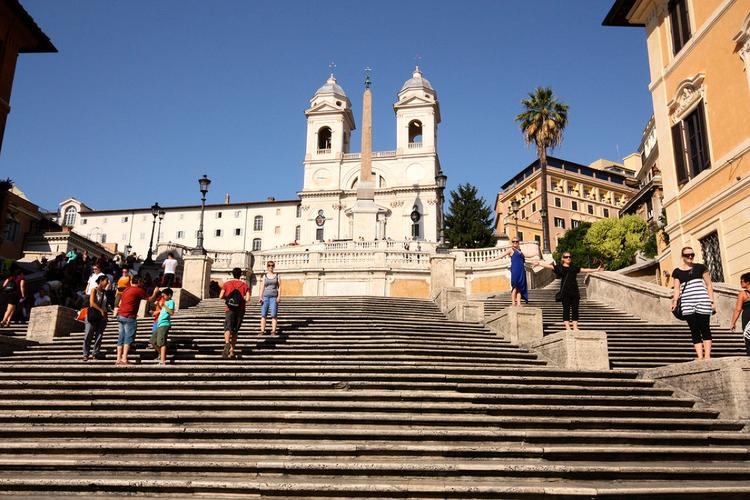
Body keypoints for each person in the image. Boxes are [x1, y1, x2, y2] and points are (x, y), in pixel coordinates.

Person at [536, 254, 604, 331]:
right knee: (566, 309)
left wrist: (596, 269)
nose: (568, 258)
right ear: (562, 258)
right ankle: (567, 327)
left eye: (569, 257)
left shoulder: (573, 268)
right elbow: (549, 266)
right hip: (565, 292)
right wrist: (539, 263)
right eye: (566, 257)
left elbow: (584, 270)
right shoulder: (560, 267)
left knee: (575, 309)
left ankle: (575, 327)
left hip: (575, 291)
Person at [671, 246, 716, 360]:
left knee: (705, 327)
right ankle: (700, 356)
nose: (690, 256)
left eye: (692, 254)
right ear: (683, 257)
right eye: (687, 255)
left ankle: (707, 356)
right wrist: (675, 301)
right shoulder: (677, 272)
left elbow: (709, 285)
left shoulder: (701, 267)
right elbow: (676, 289)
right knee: (694, 329)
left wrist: (712, 301)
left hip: (702, 301)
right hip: (687, 304)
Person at [113, 275, 159, 365]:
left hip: (121, 315)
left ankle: (118, 359)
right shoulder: (138, 290)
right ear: (138, 282)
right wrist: (155, 292)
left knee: (121, 338)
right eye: (141, 282)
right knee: (128, 338)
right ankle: (124, 359)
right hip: (129, 316)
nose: (142, 284)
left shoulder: (126, 289)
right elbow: (151, 300)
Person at [218, 267, 250, 359]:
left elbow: (220, 296)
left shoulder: (227, 284)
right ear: (240, 275)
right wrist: (240, 299)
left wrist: (228, 299)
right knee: (235, 330)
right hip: (240, 310)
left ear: (232, 274)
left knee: (227, 328)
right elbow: (247, 299)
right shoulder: (244, 285)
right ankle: (232, 350)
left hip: (229, 309)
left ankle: (227, 343)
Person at [82, 275, 109, 361]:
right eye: (106, 281)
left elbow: (106, 305)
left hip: (102, 316)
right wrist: (100, 310)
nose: (107, 283)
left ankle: (95, 353)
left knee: (99, 335)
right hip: (92, 315)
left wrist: (105, 315)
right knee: (88, 334)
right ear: (101, 281)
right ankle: (85, 354)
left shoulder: (105, 292)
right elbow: (92, 303)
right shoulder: (94, 290)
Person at [150, 287, 174, 366]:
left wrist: (164, 305)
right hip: (159, 324)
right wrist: (156, 310)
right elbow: (162, 311)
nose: (163, 297)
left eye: (164, 296)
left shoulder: (171, 301)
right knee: (152, 341)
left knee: (161, 342)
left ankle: (162, 361)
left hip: (164, 324)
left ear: (169, 295)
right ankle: (162, 355)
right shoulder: (165, 303)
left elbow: (171, 312)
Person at [729, 273, 750, 356]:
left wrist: (733, 322)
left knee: (748, 338)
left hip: (748, 317)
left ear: (748, 282)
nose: (740, 283)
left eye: (742, 281)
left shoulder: (743, 293)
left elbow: (738, 309)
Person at [258, 261, 281, 336]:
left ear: (274, 266)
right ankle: (262, 330)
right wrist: (260, 297)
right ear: (267, 267)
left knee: (274, 314)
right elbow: (262, 287)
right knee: (263, 314)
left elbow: (279, 287)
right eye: (269, 265)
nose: (271, 267)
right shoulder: (265, 276)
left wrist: (279, 297)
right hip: (265, 297)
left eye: (272, 265)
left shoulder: (277, 276)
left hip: (274, 297)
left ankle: (273, 330)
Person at [504, 238, 528, 306]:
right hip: (515, 270)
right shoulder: (510, 250)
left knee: (520, 287)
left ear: (518, 242)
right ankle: (513, 303)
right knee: (514, 286)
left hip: (521, 270)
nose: (515, 242)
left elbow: (525, 258)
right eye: (513, 241)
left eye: (516, 241)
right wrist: (492, 259)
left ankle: (519, 303)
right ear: (512, 242)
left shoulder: (520, 251)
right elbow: (501, 255)